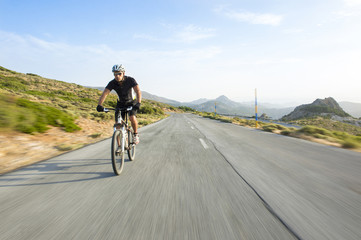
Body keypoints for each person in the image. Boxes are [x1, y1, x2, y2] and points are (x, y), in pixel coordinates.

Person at [96, 64, 142, 144]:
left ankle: (135, 134)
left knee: (131, 117)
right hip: (121, 104)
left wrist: (138, 103)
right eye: (115, 74)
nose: (117, 76)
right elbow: (105, 93)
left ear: (123, 73)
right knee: (118, 125)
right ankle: (119, 147)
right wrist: (99, 105)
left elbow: (138, 91)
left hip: (132, 102)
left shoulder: (130, 80)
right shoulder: (112, 83)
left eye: (119, 74)